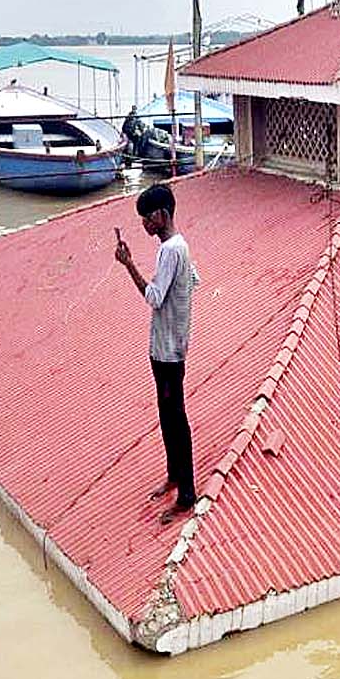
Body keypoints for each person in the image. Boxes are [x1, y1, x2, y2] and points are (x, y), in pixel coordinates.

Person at [114, 183, 201, 519]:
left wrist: (129, 265)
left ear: (162, 215)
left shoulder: (169, 251)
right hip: (171, 345)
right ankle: (174, 475)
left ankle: (187, 494)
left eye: (147, 218)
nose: (144, 225)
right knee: (167, 416)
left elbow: (153, 298)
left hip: (168, 351)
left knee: (175, 419)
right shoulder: (181, 246)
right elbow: (194, 281)